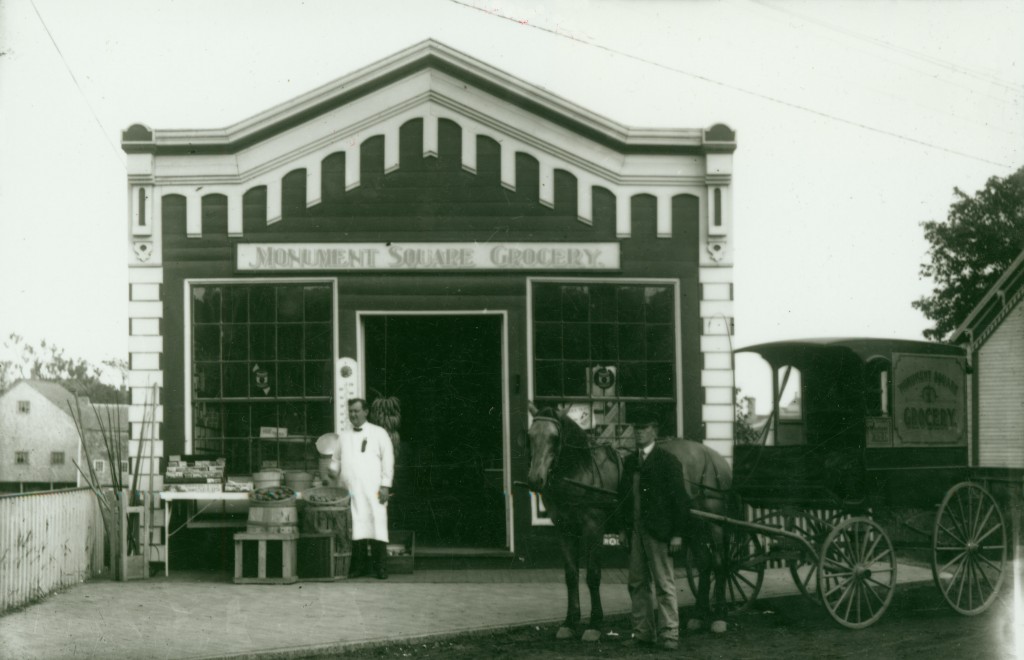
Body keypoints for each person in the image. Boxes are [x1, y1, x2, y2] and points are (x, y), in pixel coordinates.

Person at [618, 415, 689, 651]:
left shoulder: (667, 461)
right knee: (637, 582)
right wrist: (623, 529)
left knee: (664, 582)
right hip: (636, 531)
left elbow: (680, 500)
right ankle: (643, 633)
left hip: (659, 532)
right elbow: (623, 499)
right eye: (636, 428)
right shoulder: (629, 463)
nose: (639, 432)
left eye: (644, 427)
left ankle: (669, 633)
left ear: (654, 431)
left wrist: (678, 533)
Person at [330, 398, 394, 579]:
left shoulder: (379, 433)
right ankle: (359, 568)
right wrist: (331, 473)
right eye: (350, 411)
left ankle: (380, 568)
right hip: (350, 491)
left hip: (374, 491)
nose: (353, 414)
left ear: (366, 412)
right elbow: (336, 461)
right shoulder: (343, 436)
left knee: (377, 527)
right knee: (356, 529)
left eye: (356, 411)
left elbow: (388, 460)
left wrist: (385, 485)